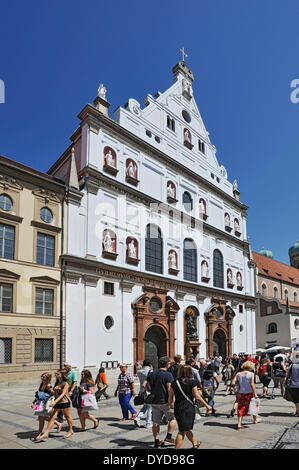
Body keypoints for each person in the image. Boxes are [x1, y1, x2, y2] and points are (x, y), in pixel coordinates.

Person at [168, 365, 212, 449]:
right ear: (189, 372)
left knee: (185, 428)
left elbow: (170, 397)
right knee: (182, 430)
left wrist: (171, 405)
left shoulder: (174, 383)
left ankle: (194, 443)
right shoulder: (192, 382)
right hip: (188, 408)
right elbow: (197, 396)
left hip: (178, 407)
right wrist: (207, 406)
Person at [145, 356, 177, 448]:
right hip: (165, 401)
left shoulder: (152, 374)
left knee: (156, 422)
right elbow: (169, 388)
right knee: (172, 419)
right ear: (167, 364)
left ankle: (156, 441)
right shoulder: (168, 374)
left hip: (155, 401)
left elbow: (144, 385)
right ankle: (168, 436)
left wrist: (150, 391)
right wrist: (172, 400)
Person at [36, 369, 73, 441]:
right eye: (56, 374)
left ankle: (70, 430)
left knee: (67, 416)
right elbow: (54, 392)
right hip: (57, 403)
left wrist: (55, 401)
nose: (56, 375)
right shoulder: (57, 382)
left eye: (58, 374)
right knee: (52, 417)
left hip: (64, 402)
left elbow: (63, 394)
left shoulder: (65, 383)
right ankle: (46, 433)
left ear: (62, 375)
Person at [30, 373, 62, 441]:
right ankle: (58, 424)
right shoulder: (41, 384)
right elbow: (39, 395)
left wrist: (50, 390)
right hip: (40, 403)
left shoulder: (49, 385)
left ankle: (39, 433)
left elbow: (54, 393)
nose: (42, 378)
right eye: (41, 376)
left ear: (47, 378)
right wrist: (33, 402)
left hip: (45, 403)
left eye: (43, 377)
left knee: (41, 418)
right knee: (41, 417)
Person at [231, 361, 261, 430]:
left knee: (241, 407)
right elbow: (252, 384)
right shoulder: (251, 374)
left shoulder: (238, 374)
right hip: (249, 392)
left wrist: (237, 386)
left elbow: (233, 382)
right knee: (253, 405)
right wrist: (255, 393)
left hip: (241, 393)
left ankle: (239, 423)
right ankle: (255, 420)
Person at [134, 360, 153, 428]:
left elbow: (139, 368)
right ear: (150, 365)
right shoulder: (150, 371)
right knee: (150, 407)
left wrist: (139, 365)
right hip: (149, 390)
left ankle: (137, 418)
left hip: (142, 391)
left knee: (145, 406)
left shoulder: (139, 372)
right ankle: (148, 423)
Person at [284, 351, 299, 417]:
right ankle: (297, 411)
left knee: (296, 399)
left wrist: (285, 383)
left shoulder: (292, 366)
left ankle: (298, 412)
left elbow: (287, 375)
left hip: (293, 385)